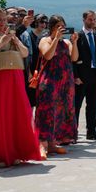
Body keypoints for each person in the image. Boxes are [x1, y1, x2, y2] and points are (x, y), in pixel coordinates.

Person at [0, 7, 41, 168]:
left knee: (11, 115)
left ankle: (12, 152)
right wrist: (0, 43)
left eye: (4, 20)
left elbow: (25, 54)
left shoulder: (9, 35)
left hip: (12, 82)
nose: (3, 23)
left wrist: (16, 42)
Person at [35, 15, 79, 158]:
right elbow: (48, 55)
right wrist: (55, 39)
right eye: (58, 26)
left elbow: (74, 58)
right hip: (49, 82)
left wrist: (75, 42)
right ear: (52, 27)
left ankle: (53, 143)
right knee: (46, 112)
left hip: (65, 83)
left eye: (63, 26)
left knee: (60, 113)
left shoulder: (66, 42)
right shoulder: (44, 40)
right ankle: (42, 144)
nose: (61, 29)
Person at [74, 10, 96, 141]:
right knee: (77, 105)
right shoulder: (78, 36)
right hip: (82, 76)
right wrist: (76, 76)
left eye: (94, 20)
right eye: (90, 19)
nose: (92, 22)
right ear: (84, 20)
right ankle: (73, 132)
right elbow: (74, 59)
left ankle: (91, 131)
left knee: (92, 105)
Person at [20, 13, 47, 107]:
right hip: (31, 70)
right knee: (30, 100)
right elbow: (26, 56)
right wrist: (29, 73)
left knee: (41, 100)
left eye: (45, 22)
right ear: (35, 22)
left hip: (43, 70)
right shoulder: (28, 36)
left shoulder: (46, 37)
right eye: (41, 22)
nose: (43, 24)